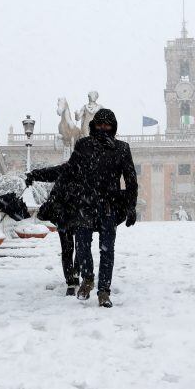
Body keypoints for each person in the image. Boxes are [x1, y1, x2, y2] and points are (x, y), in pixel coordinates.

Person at [60, 108, 138, 307]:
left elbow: (131, 180)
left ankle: (104, 291)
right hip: (85, 205)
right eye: (100, 124)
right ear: (94, 125)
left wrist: (131, 207)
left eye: (107, 125)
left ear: (113, 127)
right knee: (82, 246)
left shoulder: (122, 148)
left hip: (109, 206)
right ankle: (87, 279)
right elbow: (69, 172)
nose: (103, 128)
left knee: (107, 250)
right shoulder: (83, 145)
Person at [26, 165, 80, 296]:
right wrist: (33, 175)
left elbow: (49, 173)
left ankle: (73, 279)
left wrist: (33, 175)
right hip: (72, 215)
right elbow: (48, 173)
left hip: (69, 215)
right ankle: (73, 278)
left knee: (72, 249)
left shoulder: (69, 168)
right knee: (76, 249)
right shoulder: (79, 168)